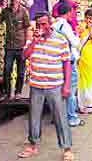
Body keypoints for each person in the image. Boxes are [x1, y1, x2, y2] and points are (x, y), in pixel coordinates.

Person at [18, 12, 73, 161]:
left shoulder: (61, 40)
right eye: (38, 24)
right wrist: (35, 41)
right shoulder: (33, 40)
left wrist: (67, 86)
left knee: (60, 117)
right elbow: (24, 56)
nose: (41, 27)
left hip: (55, 85)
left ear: (50, 24)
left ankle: (67, 148)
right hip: (36, 85)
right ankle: (33, 144)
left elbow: (67, 63)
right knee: (34, 116)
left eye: (44, 24)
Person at [53, 2, 83, 127]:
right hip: (68, 61)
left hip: (58, 60)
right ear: (69, 12)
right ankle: (72, 117)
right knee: (70, 89)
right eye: (72, 12)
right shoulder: (65, 26)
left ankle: (59, 116)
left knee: (60, 89)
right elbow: (75, 43)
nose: (73, 14)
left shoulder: (54, 25)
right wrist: (78, 35)